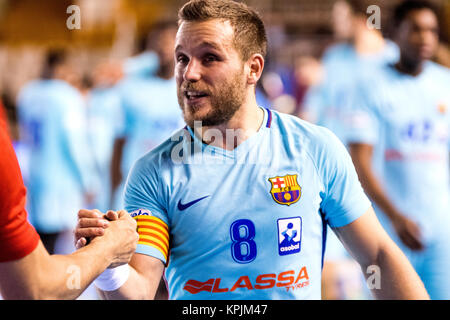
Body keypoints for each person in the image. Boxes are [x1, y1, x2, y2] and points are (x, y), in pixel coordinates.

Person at [75, 0, 428, 300]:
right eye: (182, 58)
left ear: (253, 69)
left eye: (209, 58)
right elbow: (141, 288)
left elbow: (378, 257)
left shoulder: (314, 148)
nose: (189, 73)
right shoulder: (154, 171)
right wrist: (109, 266)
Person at [346, 0, 450, 300]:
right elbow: (360, 161)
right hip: (388, 230)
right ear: (395, 33)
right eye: (415, 30)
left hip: (441, 230)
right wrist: (395, 217)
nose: (425, 38)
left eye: (431, 30)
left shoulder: (445, 84)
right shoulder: (369, 86)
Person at [0, 116, 139, 299]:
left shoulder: (28, 95)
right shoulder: (66, 98)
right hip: (62, 193)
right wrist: (108, 248)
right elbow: (36, 289)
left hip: (33, 189)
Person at [16, 50, 99, 255]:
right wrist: (88, 180)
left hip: (34, 171)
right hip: (62, 178)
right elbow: (74, 144)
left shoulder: (28, 93)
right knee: (63, 245)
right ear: (62, 69)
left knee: (40, 238)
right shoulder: (66, 96)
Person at [110, 21, 183, 211]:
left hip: (180, 191)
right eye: (158, 42)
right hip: (138, 190)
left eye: (170, 42)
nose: (163, 47)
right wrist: (112, 191)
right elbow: (119, 141)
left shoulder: (192, 88)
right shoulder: (130, 88)